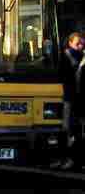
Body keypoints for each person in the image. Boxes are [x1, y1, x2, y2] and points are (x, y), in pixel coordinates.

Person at [58, 32, 83, 170]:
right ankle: (69, 158)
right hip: (71, 98)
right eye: (77, 43)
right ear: (70, 43)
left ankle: (72, 159)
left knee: (73, 129)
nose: (80, 47)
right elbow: (63, 76)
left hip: (76, 98)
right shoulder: (67, 57)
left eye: (81, 44)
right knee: (68, 129)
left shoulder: (79, 57)